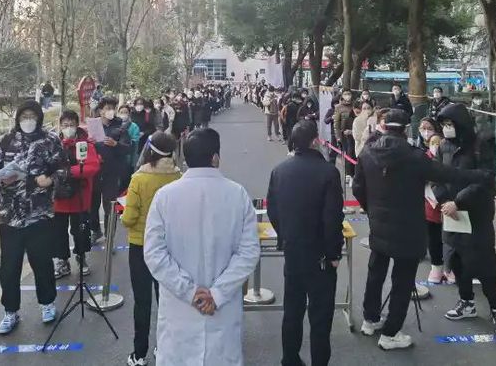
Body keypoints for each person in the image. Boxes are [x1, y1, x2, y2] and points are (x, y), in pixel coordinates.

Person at [353, 108, 493, 350]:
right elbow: (449, 174)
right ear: (406, 129)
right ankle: (390, 334)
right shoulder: (415, 157)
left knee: (376, 273)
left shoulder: (367, 152)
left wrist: (371, 210)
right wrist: (481, 176)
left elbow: (357, 188)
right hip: (408, 229)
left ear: (384, 126)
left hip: (379, 226)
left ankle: (370, 320)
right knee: (402, 281)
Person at [144, 128, 260, 365]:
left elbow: (154, 254)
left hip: (179, 313)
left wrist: (190, 292)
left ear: (186, 159)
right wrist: (216, 294)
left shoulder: (165, 196)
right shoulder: (237, 195)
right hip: (221, 311)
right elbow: (248, 253)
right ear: (215, 157)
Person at [267, 121, 344, 366]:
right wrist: (334, 253)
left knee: (292, 310)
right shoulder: (328, 172)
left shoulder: (280, 170)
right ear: (314, 141)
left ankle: (290, 358)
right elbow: (332, 217)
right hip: (320, 255)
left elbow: (273, 210)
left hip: (293, 251)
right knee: (320, 317)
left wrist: (285, 235)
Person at [434, 103, 496, 339]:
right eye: (443, 125)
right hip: (451, 216)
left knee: (485, 265)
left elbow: (486, 179)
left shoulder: (481, 144)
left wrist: (458, 202)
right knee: (457, 261)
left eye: (450, 124)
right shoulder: (444, 147)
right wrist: (444, 201)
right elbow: (436, 177)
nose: (446, 128)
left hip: (476, 215)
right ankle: (466, 301)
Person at [0, 100, 63, 334]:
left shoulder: (50, 140)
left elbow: (63, 168)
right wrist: (0, 179)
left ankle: (47, 303)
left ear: (39, 118)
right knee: (9, 267)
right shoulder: (5, 141)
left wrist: (51, 180)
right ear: (18, 118)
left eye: (32, 116)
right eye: (24, 116)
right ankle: (10, 311)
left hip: (39, 214)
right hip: (10, 216)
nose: (27, 120)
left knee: (42, 262)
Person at [121, 132, 183, 366]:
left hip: (141, 246)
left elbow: (129, 218)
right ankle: (164, 348)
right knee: (166, 299)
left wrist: (124, 215)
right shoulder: (178, 176)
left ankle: (139, 354)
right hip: (169, 246)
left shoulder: (139, 178)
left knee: (142, 301)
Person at [52, 110, 101, 279]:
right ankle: (62, 261)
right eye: (65, 125)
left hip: (80, 197)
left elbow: (92, 166)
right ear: (60, 126)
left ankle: (81, 257)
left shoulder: (85, 144)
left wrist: (68, 172)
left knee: (80, 231)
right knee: (58, 232)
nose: (68, 128)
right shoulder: (54, 144)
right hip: (58, 199)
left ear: (77, 125)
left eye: (71, 125)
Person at [91, 96, 131, 244]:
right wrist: (90, 144)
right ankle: (95, 231)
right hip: (94, 173)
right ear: (100, 110)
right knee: (92, 206)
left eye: (113, 108)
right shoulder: (93, 126)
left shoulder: (120, 127)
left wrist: (116, 144)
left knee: (110, 207)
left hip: (112, 173)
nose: (110, 111)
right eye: (107, 108)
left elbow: (128, 148)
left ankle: (110, 238)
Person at [417, 117, 448, 285]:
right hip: (430, 205)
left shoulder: (448, 157)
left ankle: (450, 268)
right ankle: (436, 267)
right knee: (433, 236)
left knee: (449, 238)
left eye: (438, 142)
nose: (426, 132)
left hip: (448, 204)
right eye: (423, 128)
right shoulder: (422, 156)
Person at [331, 89, 356, 182]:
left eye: (349, 94)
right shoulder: (338, 107)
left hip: (355, 132)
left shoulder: (355, 105)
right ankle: (348, 174)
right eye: (345, 94)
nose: (347, 96)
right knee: (348, 154)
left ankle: (354, 174)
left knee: (355, 154)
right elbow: (336, 123)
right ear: (342, 96)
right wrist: (338, 137)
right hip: (344, 135)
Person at [120, 103, 143, 170]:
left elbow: (135, 142)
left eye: (125, 112)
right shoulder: (115, 125)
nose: (123, 114)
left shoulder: (134, 126)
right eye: (121, 112)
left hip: (130, 156)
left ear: (129, 114)